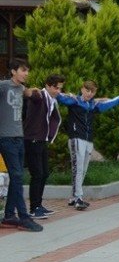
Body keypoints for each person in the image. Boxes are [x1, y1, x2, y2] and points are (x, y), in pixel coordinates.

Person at [57, 81, 119, 210]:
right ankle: (78, 198)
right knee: (77, 168)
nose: (89, 93)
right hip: (76, 138)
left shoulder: (93, 105)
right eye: (87, 90)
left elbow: (108, 104)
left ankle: (74, 197)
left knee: (82, 169)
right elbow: (58, 96)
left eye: (92, 91)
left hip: (88, 140)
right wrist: (60, 92)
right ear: (82, 89)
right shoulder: (74, 101)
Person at [0, 59, 43, 232]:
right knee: (17, 176)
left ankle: (9, 216)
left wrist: (37, 92)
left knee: (16, 176)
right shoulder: (3, 86)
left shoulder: (21, 88)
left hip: (19, 137)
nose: (26, 73)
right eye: (23, 70)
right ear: (13, 71)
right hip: (6, 138)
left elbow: (30, 93)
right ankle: (24, 217)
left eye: (27, 71)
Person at [23, 74, 64, 219]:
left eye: (60, 88)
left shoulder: (52, 99)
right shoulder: (39, 96)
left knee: (45, 173)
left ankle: (39, 205)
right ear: (48, 85)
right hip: (32, 139)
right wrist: (28, 89)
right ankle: (34, 208)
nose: (58, 91)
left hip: (42, 140)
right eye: (56, 88)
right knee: (37, 174)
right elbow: (29, 94)